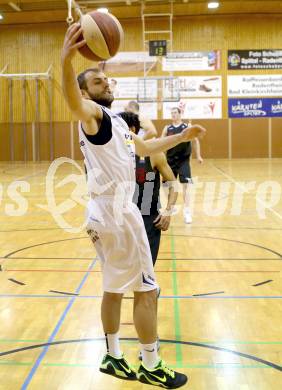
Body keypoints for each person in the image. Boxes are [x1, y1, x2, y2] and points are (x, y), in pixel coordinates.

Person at [61, 23, 206, 388]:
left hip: (100, 213)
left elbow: (145, 149)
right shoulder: (92, 116)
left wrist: (181, 136)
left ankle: (112, 355)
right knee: (146, 289)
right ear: (84, 93)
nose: (106, 84)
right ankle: (151, 362)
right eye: (97, 82)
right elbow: (72, 100)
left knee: (112, 287)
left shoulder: (117, 122)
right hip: (118, 212)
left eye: (106, 81)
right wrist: (65, 59)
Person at [162, 107, 203, 224]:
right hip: (170, 160)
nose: (173, 115)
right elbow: (161, 142)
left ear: (180, 114)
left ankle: (187, 211)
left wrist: (198, 156)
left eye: (175, 113)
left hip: (183, 160)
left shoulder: (187, 127)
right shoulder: (167, 128)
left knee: (186, 185)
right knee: (167, 185)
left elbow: (195, 141)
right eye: (172, 113)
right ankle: (171, 206)